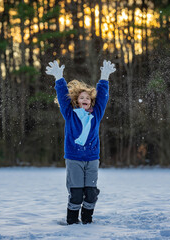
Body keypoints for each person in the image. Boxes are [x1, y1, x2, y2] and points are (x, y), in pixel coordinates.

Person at [46, 60, 116, 224]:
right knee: (76, 194)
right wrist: (59, 78)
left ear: (91, 101)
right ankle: (71, 221)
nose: (84, 99)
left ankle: (87, 220)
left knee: (91, 193)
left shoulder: (96, 114)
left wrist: (104, 77)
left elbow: (103, 98)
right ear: (77, 101)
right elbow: (63, 98)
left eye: (87, 98)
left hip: (92, 158)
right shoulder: (70, 114)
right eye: (81, 97)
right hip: (74, 158)